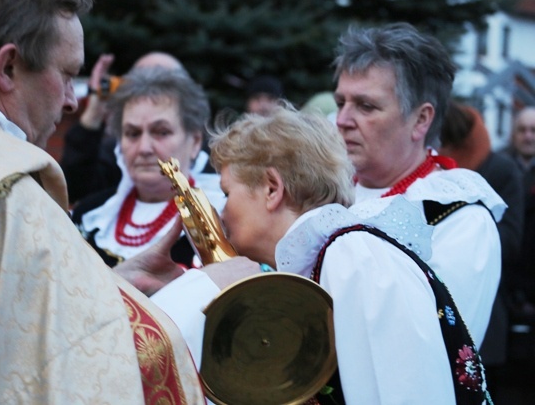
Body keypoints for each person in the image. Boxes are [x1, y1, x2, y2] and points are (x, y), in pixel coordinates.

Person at [0, 0, 214, 402]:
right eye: (66, 74)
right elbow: (80, 368)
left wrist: (109, 284)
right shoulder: (11, 201)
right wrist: (205, 292)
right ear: (8, 68)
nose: (70, 101)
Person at [146, 104, 490, 404]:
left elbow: (405, 393)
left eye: (227, 192)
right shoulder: (322, 260)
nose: (222, 212)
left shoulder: (354, 255)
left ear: (271, 188)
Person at [332, 22, 506, 347]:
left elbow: (430, 347)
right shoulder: (326, 193)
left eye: (366, 106)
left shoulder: (460, 220)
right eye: (341, 102)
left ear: (421, 120)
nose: (342, 119)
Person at [71, 66, 224, 269]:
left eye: (161, 132)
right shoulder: (90, 215)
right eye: (132, 133)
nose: (144, 148)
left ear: (195, 142)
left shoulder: (222, 218)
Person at [439, 100, 524, 373]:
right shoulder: (433, 172)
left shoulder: (500, 170)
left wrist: (457, 231)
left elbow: (510, 240)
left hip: (485, 313)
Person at [60, 51, 189, 205]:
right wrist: (95, 111)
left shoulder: (215, 172)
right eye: (139, 85)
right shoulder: (116, 153)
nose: (144, 148)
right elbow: (73, 187)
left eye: (162, 132)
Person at [501, 106, 535, 314]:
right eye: (522, 130)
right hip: (505, 275)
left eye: (533, 130)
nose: (528, 136)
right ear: (513, 134)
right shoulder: (499, 169)